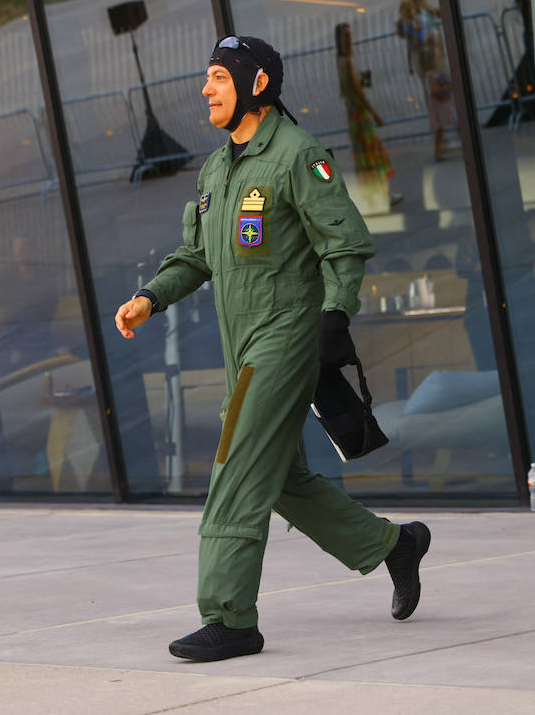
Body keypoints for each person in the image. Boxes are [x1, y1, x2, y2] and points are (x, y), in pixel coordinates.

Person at [113, 35, 430, 662]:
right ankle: (395, 546)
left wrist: (336, 312)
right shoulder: (215, 169)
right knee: (280, 478)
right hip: (241, 342)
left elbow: (347, 243)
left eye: (218, 79)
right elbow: (197, 254)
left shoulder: (297, 155)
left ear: (256, 85)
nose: (206, 90)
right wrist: (151, 297)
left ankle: (230, 618)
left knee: (234, 464)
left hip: (285, 337)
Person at [334, 23, 398, 214]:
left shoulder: (342, 60)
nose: (350, 38)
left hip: (354, 115)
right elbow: (357, 91)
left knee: (366, 157)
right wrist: (374, 113)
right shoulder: (346, 61)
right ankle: (383, 195)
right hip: (360, 115)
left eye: (350, 34)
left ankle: (373, 196)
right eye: (346, 35)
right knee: (373, 155)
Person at [396, 0, 455, 161]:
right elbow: (420, 40)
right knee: (438, 100)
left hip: (432, 62)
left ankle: (442, 140)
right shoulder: (418, 16)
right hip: (431, 63)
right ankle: (440, 144)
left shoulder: (423, 12)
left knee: (438, 100)